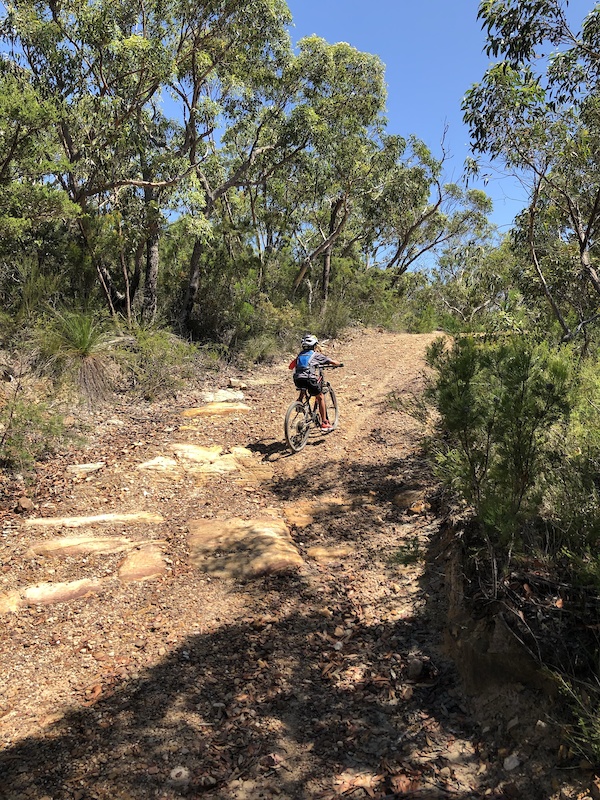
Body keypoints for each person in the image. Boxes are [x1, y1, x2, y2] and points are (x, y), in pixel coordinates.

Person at [289, 334, 342, 431]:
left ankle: (299, 402)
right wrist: (339, 364)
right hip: (309, 379)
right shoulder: (315, 355)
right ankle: (325, 422)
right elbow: (330, 361)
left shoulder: (299, 356)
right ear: (314, 346)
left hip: (297, 379)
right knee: (320, 396)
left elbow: (290, 366)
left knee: (303, 385)